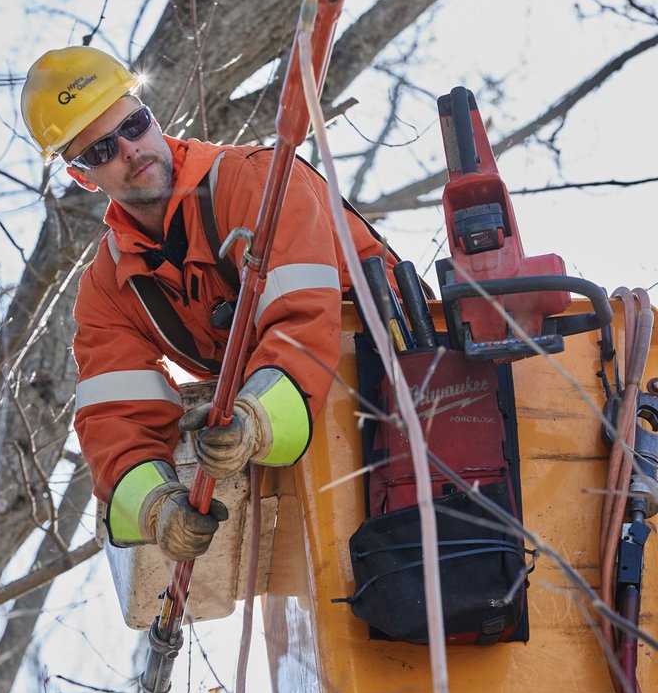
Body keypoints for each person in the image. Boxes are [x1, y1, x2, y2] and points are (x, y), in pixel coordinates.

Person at [21, 45, 401, 562]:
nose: (130, 150)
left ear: (152, 117)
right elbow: (115, 417)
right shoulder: (109, 289)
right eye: (102, 150)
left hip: (409, 374)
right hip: (314, 431)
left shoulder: (255, 179)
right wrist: (157, 508)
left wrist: (255, 419)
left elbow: (305, 316)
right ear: (83, 177)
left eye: (134, 125)